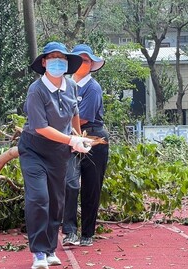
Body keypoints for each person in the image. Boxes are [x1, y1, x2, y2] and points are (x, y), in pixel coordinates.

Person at [18, 42, 93, 269]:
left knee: (57, 201)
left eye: (61, 57)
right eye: (52, 57)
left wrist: (79, 138)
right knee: (39, 197)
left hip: (59, 153)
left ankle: (50, 249)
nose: (57, 61)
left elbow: (74, 114)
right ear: (44, 62)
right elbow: (41, 128)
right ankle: (39, 252)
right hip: (34, 150)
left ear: (67, 63)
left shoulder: (71, 86)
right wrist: (70, 140)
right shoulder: (36, 90)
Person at [62, 44, 109, 247]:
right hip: (69, 137)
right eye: (79, 59)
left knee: (91, 186)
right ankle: (69, 231)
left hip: (92, 136)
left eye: (87, 60)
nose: (82, 63)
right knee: (69, 183)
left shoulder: (93, 88)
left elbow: (81, 118)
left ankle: (87, 233)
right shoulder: (65, 85)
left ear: (91, 65)